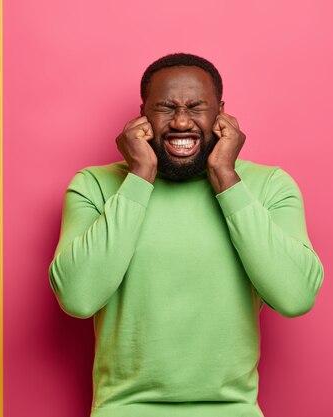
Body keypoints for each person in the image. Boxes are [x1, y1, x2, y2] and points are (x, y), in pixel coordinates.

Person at [49, 53, 324, 417]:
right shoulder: (95, 185)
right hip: (123, 410)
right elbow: (78, 297)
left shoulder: (269, 186)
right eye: (165, 108)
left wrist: (226, 176)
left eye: (197, 107)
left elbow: (296, 297)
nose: (181, 121)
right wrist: (140, 175)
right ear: (142, 114)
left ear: (221, 114)